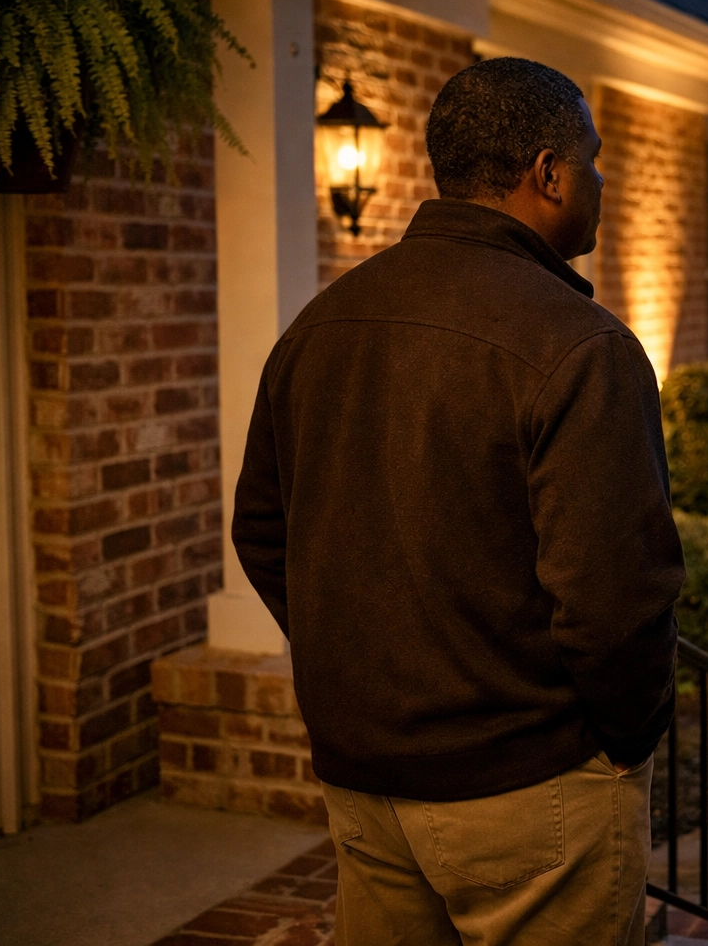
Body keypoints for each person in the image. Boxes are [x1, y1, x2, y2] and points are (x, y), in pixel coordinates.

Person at [232, 57, 683, 946]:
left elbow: (260, 533)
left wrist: (365, 670)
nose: (602, 182)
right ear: (547, 173)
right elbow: (614, 599)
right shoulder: (582, 346)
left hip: (365, 784)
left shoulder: (318, 327)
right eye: (593, 161)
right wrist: (624, 741)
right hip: (531, 792)